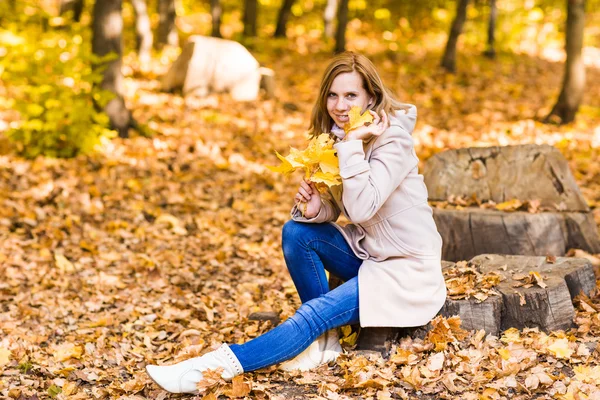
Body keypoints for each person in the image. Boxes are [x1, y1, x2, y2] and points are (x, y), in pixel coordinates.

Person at [145, 51, 447, 394]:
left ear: (371, 97)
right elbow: (340, 205)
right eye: (333, 95)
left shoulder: (393, 139)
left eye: (351, 95)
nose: (340, 105)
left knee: (314, 312)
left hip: (405, 270)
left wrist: (350, 144)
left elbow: (363, 208)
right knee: (296, 231)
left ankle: (207, 369)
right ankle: (326, 341)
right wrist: (318, 207)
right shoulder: (338, 137)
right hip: (370, 255)